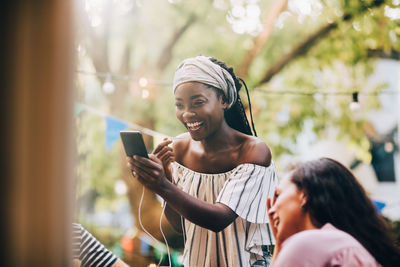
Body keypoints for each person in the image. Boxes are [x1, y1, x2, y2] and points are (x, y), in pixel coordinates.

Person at [127, 55, 277, 266]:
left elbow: (219, 219)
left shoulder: (253, 152)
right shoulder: (179, 149)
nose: (187, 114)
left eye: (198, 102)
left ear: (224, 100)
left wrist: (162, 185)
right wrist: (164, 180)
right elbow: (180, 225)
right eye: (180, 105)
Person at [267, 158, 400, 267]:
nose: (271, 210)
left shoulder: (307, 244)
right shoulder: (348, 248)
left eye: (278, 195)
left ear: (304, 195)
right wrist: (280, 244)